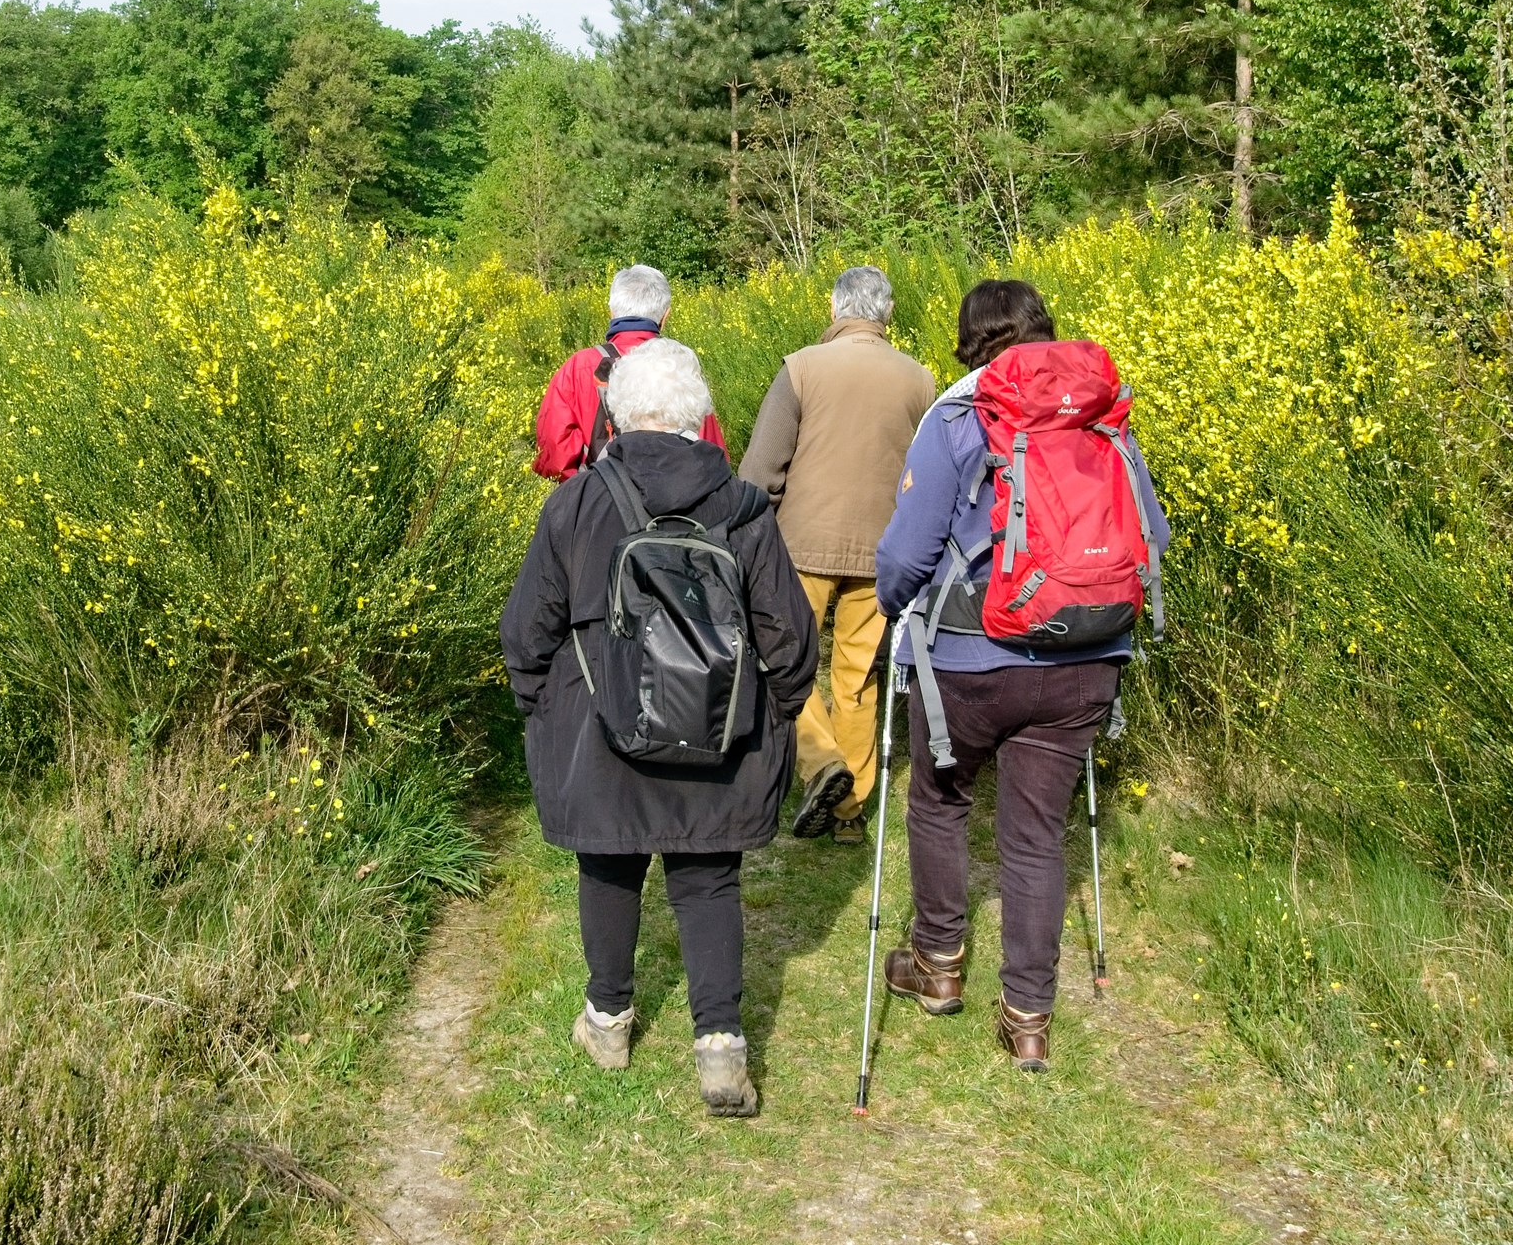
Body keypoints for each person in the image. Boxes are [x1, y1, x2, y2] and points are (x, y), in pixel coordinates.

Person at [500, 337, 818, 1117]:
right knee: (708, 877)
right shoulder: (743, 507)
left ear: (615, 412)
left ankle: (608, 1021)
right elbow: (791, 639)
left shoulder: (576, 503)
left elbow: (526, 631)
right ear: (699, 415)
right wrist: (771, 716)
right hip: (718, 734)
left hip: (600, 730)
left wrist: (545, 709)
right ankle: (720, 1046)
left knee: (608, 865)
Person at [872, 279, 1170, 1072]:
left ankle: (937, 963)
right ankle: (1028, 1018)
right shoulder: (1100, 413)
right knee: (1036, 836)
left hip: (969, 660)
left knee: (939, 800)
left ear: (969, 340)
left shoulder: (959, 414)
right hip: (1084, 659)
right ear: (1046, 329)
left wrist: (894, 610)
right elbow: (1154, 533)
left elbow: (906, 553)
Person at [737, 265, 937, 844]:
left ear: (834, 309)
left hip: (801, 547)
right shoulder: (921, 380)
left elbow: (762, 468)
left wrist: (746, 531)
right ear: (887, 314)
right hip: (882, 551)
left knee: (786, 663)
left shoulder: (802, 367)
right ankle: (849, 811)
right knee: (857, 677)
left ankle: (822, 762)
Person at [532, 264, 724, 482]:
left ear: (612, 312)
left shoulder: (578, 367)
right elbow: (712, 455)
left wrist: (589, 491)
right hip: (676, 497)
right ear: (665, 317)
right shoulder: (680, 368)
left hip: (601, 494)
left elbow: (555, 459)